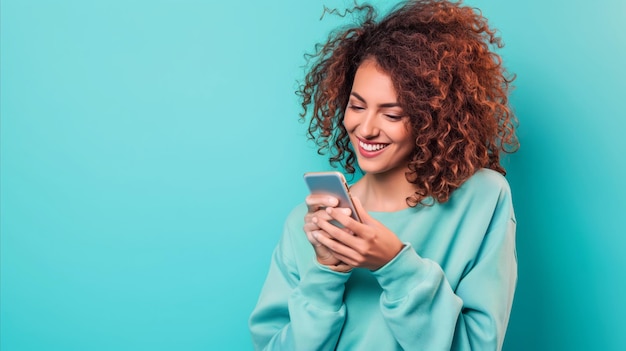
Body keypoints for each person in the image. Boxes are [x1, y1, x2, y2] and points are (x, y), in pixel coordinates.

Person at [249, 0, 519, 349]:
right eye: (357, 106)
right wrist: (326, 273)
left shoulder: (483, 199)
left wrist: (393, 262)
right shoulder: (311, 225)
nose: (366, 128)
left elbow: (477, 344)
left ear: (431, 118)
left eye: (392, 115)